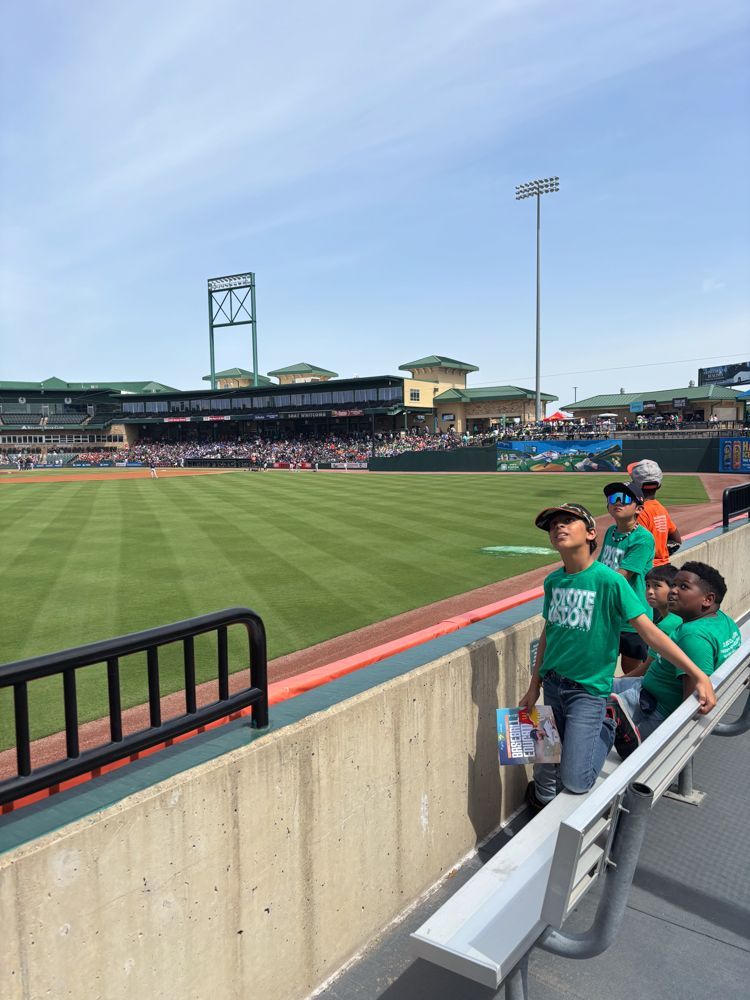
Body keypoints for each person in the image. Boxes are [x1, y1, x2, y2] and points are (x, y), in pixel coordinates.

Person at [520, 503, 716, 812]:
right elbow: (550, 632)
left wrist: (699, 674)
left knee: (576, 781)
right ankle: (543, 793)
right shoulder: (554, 581)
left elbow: (651, 633)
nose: (559, 526)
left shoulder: (610, 581)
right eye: (553, 524)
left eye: (569, 521)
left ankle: (608, 722)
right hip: (553, 685)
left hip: (588, 691)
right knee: (544, 755)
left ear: (591, 533)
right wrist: (534, 684)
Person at [608, 561, 741, 758]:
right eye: (674, 585)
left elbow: (689, 708)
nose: (673, 591)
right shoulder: (721, 619)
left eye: (683, 587)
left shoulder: (693, 636)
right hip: (646, 691)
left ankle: (549, 760)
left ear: (707, 599)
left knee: (579, 701)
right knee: (585, 688)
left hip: (652, 712)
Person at [598, 481, 655, 673]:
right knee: (602, 670)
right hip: (610, 617)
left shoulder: (643, 538)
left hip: (633, 619)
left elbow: (620, 576)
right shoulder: (610, 532)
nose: (618, 503)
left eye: (624, 499)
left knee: (631, 675)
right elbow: (601, 567)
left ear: (638, 508)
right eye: (613, 499)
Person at [627, 459, 681, 566]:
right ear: (659, 485)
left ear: (634, 484)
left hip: (646, 570)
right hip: (664, 567)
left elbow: (637, 547)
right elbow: (677, 540)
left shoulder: (639, 511)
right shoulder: (661, 508)